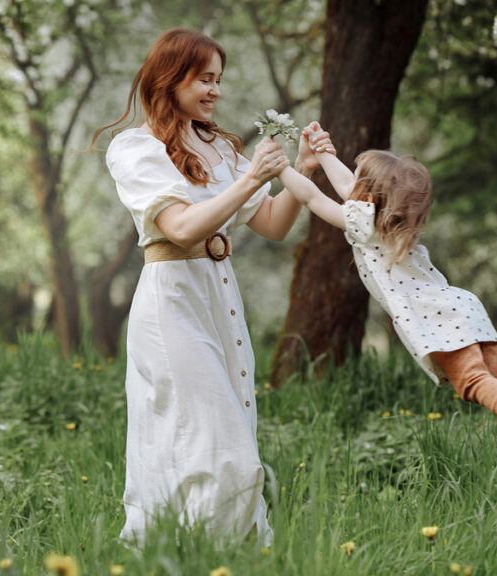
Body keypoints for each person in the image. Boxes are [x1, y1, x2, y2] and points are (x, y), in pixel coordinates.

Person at [90, 28, 320, 546]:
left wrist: (300, 170)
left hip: (219, 294)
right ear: (168, 79)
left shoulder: (216, 145)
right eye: (203, 79)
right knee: (219, 442)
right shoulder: (135, 148)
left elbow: (272, 225)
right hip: (172, 299)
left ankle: (200, 547)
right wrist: (250, 178)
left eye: (219, 79)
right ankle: (193, 545)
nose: (215, 90)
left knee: (221, 430)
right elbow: (181, 228)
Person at [278, 124, 497, 482]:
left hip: (436, 318)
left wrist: (278, 168)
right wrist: (324, 152)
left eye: (357, 178)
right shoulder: (390, 221)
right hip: (461, 307)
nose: (349, 184)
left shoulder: (363, 223)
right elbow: (348, 187)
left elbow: (312, 197)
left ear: (368, 196)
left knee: (473, 382)